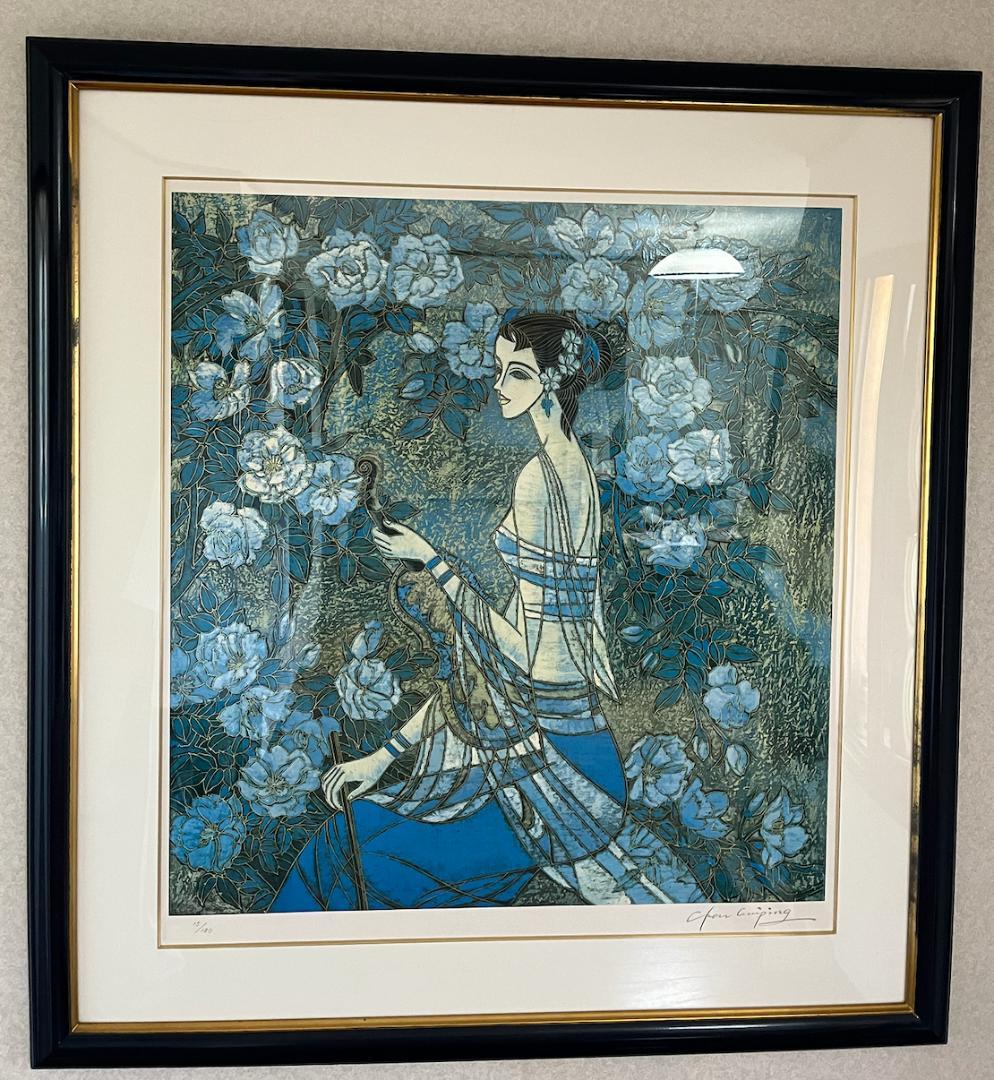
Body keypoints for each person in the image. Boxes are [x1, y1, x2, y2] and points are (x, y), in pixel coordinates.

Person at [270, 312, 702, 910]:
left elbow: (522, 657)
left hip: (564, 773)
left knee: (356, 854)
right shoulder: (566, 469)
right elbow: (486, 678)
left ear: (553, 382)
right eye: (500, 369)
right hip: (540, 748)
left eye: (517, 373)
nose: (499, 385)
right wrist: (383, 756)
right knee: (353, 840)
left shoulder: (543, 482)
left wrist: (434, 563)